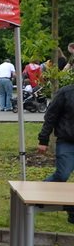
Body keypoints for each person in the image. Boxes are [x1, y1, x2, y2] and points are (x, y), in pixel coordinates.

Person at [37, 82, 74, 223]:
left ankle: (72, 211)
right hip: (67, 142)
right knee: (62, 174)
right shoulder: (65, 93)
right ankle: (37, 193)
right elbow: (51, 116)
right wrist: (43, 140)